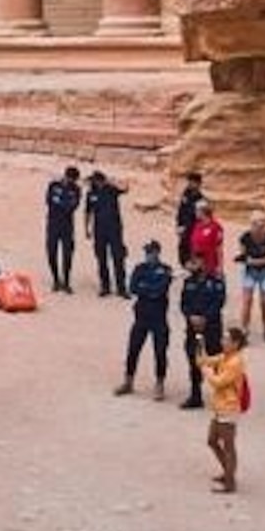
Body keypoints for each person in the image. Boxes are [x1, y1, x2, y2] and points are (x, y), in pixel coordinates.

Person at [116, 239, 174, 397]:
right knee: (133, 349)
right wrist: (149, 289)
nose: (148, 255)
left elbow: (160, 290)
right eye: (147, 252)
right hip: (141, 316)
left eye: (151, 252)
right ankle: (128, 381)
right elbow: (133, 288)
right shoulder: (139, 268)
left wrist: (145, 288)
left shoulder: (166, 269)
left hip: (159, 318)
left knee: (160, 351)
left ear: (157, 252)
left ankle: (160, 383)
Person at [201, 327, 249, 494]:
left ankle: (230, 481)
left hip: (228, 409)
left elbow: (218, 382)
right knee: (212, 441)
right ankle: (228, 473)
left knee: (228, 446)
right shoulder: (225, 357)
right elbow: (204, 360)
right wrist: (200, 345)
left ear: (235, 344)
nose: (222, 341)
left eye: (226, 339)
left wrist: (205, 370)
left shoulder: (236, 362)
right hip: (220, 407)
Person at [178, 255, 227, 411]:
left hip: (211, 327)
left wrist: (205, 318)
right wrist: (190, 317)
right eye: (193, 261)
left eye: (197, 262)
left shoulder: (216, 282)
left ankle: (223, 395)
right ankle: (195, 395)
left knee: (216, 360)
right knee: (194, 360)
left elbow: (219, 302)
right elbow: (183, 303)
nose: (194, 265)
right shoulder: (188, 282)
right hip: (193, 328)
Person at [235, 211, 265, 341]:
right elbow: (243, 255)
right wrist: (249, 261)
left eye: (262, 225)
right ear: (252, 225)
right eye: (257, 225)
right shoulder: (245, 237)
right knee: (247, 301)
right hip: (250, 271)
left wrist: (253, 261)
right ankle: (244, 330)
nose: (260, 228)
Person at [85, 171, 128, 297]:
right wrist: (86, 228)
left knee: (118, 258)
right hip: (99, 230)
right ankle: (105, 286)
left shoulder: (111, 190)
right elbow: (88, 212)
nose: (94, 183)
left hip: (114, 229)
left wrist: (112, 181)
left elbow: (125, 188)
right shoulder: (91, 194)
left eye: (96, 180)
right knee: (101, 258)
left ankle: (121, 288)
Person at [44, 166, 83, 294]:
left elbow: (72, 207)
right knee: (51, 252)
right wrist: (63, 203)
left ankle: (66, 282)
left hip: (67, 226)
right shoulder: (53, 185)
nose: (71, 182)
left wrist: (59, 202)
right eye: (70, 179)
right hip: (53, 224)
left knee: (67, 254)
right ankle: (56, 280)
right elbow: (49, 201)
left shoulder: (76, 189)